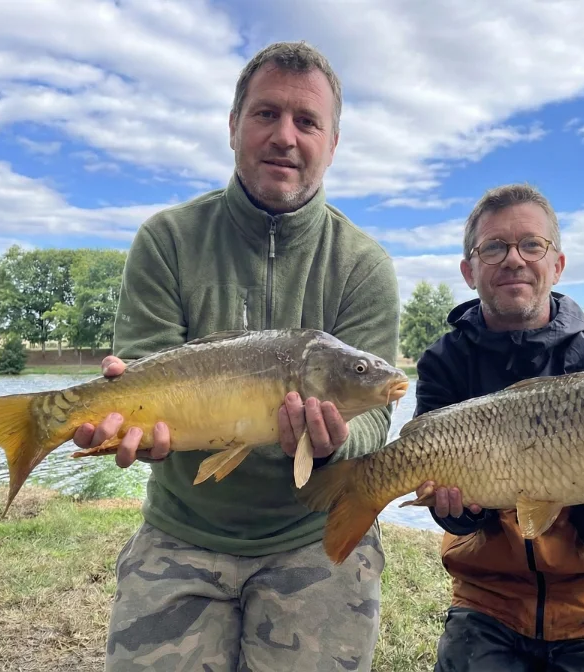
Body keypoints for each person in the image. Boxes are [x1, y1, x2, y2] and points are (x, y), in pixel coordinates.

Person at [72, 41, 400, 672]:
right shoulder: (167, 239)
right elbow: (139, 372)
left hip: (313, 535)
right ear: (232, 127)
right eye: (265, 114)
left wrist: (335, 442)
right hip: (182, 527)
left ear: (333, 142)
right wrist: (119, 422)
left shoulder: (363, 264)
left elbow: (373, 420)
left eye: (307, 122)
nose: (285, 136)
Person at [413, 183, 584, 671]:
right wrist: (457, 512)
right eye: (494, 247)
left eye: (531, 245)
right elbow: (459, 520)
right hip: (488, 598)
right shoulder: (445, 362)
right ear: (469, 270)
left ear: (557, 264)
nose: (513, 260)